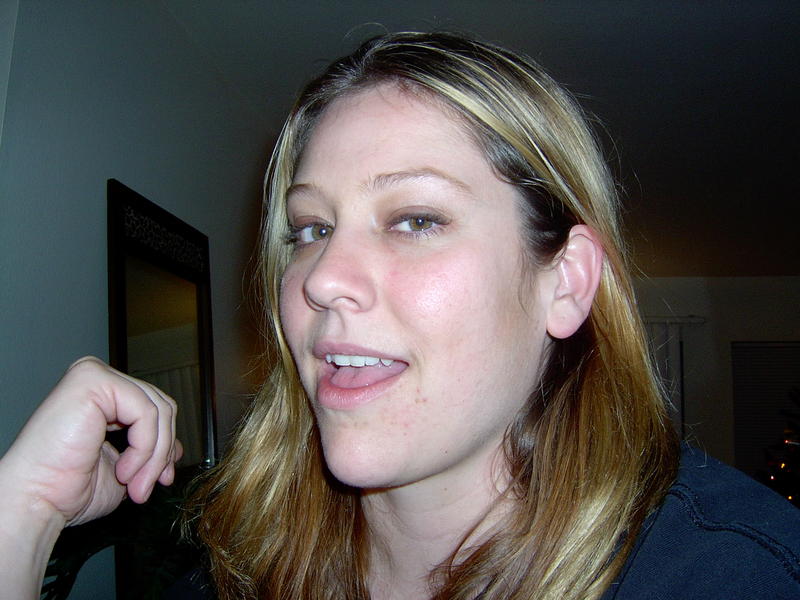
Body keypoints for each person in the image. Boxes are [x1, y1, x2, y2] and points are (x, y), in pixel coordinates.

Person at [1, 31, 798, 600]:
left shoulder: (738, 572)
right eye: (310, 229)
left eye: (415, 219)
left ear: (564, 283)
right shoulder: (233, 570)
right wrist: (21, 519)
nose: (322, 280)